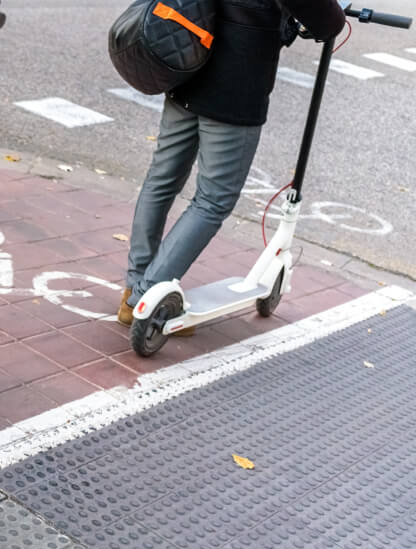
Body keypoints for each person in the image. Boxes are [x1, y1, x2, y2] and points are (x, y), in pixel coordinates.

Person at [117, 0, 346, 330]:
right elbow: (327, 22)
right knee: (212, 201)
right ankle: (147, 294)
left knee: (162, 179)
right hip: (235, 87)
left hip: (186, 59)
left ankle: (133, 289)